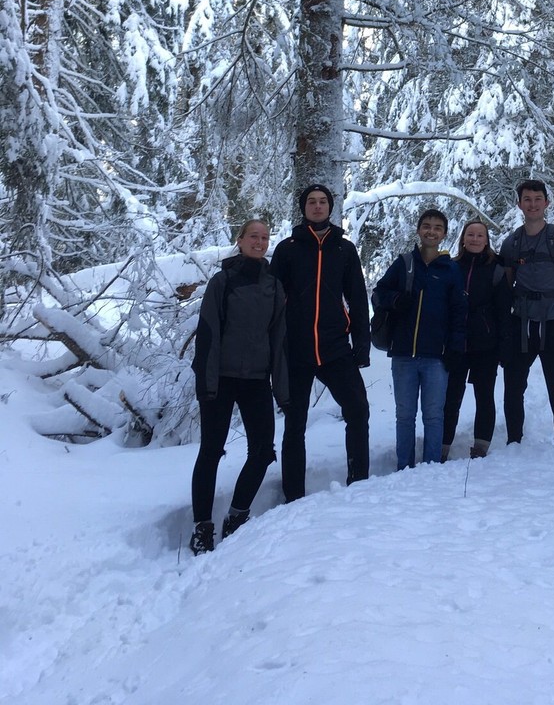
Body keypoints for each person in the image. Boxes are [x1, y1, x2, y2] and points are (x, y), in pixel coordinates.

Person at [190, 219, 289, 555]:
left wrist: (282, 387)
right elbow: (208, 333)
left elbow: (278, 340)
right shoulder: (223, 281)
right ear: (240, 240)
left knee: (263, 452)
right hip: (222, 379)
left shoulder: (274, 286)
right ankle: (202, 527)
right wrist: (206, 382)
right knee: (211, 451)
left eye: (264, 237)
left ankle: (236, 517)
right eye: (253, 237)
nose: (259, 242)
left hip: (257, 379)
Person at [271, 183, 371, 498]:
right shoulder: (287, 249)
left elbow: (357, 298)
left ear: (330, 207)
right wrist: (274, 349)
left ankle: (359, 481)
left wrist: (362, 345)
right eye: (311, 202)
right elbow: (272, 302)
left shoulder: (344, 249)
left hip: (335, 347)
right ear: (304, 208)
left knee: (358, 410)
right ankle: (293, 494)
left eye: (323, 201)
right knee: (294, 425)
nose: (317, 206)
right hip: (297, 351)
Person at [373, 208, 467, 469]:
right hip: (403, 354)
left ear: (445, 234)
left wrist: (455, 347)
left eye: (437, 227)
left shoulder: (450, 270)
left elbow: (459, 312)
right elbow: (378, 293)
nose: (431, 231)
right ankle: (404, 466)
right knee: (405, 415)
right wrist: (394, 300)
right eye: (427, 226)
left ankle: (431, 467)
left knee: (434, 415)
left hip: (436, 356)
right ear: (418, 230)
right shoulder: (404, 263)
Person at [499, 179, 554, 445]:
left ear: (546, 203)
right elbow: (506, 284)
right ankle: (514, 442)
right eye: (527, 199)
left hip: (553, 323)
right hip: (521, 323)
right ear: (519, 204)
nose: (533, 204)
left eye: (538, 199)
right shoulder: (512, 242)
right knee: (513, 387)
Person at [441, 219, 511, 461]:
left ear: (486, 240)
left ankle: (481, 447)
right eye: (470, 234)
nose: (474, 239)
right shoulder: (451, 266)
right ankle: (442, 447)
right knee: (451, 398)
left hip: (486, 345)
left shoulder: (496, 269)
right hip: (456, 344)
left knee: (484, 396)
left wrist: (503, 346)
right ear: (463, 238)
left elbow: (504, 311)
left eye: (479, 235)